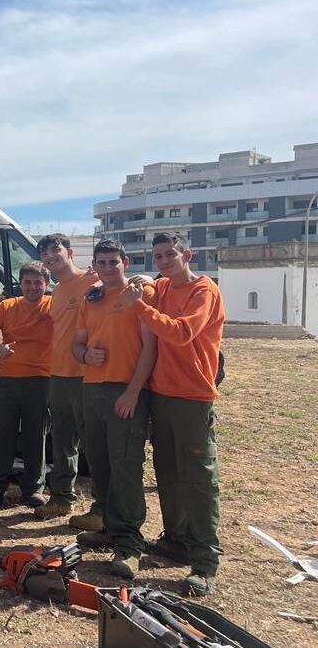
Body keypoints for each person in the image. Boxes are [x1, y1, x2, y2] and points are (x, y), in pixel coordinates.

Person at [119, 232, 225, 597]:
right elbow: (145, 286)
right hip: (162, 394)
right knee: (168, 473)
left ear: (186, 254)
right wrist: (142, 284)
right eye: (158, 256)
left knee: (198, 479)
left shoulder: (203, 290)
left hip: (192, 398)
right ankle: (177, 540)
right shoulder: (162, 286)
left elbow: (181, 333)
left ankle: (204, 561)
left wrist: (139, 306)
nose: (163, 261)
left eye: (169, 255)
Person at [72, 239, 156, 581]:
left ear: (125, 261)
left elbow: (150, 348)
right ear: (95, 265)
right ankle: (108, 524)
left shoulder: (139, 294)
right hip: (92, 389)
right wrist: (83, 355)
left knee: (125, 465)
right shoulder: (90, 298)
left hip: (125, 390)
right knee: (99, 461)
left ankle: (130, 542)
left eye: (113, 261)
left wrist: (133, 392)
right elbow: (77, 342)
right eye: (101, 262)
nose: (108, 267)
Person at [35, 234, 102, 525]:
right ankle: (62, 498)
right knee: (61, 442)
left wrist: (145, 280)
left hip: (86, 376)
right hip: (58, 374)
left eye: (55, 249)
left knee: (93, 444)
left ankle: (102, 508)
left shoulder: (93, 280)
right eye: (44, 252)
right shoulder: (57, 291)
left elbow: (131, 284)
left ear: (70, 252)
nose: (50, 256)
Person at [0, 260, 52, 508]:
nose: (32, 288)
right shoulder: (7, 306)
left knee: (35, 436)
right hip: (6, 380)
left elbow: (82, 295)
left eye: (37, 283)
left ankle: (33, 489)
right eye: (27, 282)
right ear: (21, 283)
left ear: (46, 284)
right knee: (0, 435)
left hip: (40, 380)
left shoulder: (53, 305)